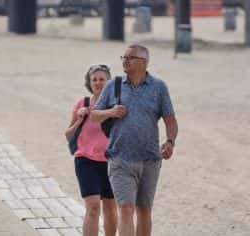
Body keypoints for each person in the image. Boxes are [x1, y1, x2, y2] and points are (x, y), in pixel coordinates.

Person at [90, 45, 178, 236]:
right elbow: (94, 115)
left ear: (144, 62)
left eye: (130, 57)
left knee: (144, 211)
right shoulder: (113, 85)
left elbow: (170, 120)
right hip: (119, 159)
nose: (125, 60)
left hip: (150, 160)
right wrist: (111, 112)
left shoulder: (159, 87)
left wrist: (170, 142)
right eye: (124, 56)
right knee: (126, 209)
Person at [65, 64, 118, 236]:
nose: (98, 82)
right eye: (94, 79)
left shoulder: (116, 106)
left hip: (111, 162)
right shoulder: (83, 104)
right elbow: (68, 135)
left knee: (110, 208)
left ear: (109, 81)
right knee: (93, 206)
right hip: (85, 161)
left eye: (102, 79)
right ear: (89, 82)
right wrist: (79, 119)